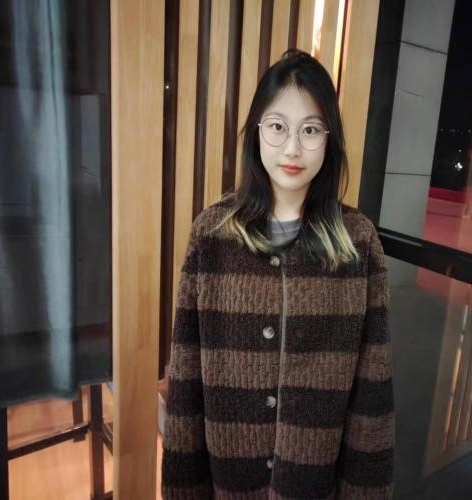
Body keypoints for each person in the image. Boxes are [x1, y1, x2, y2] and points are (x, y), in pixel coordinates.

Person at [161, 50, 394, 499]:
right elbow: (186, 383)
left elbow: (373, 395)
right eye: (277, 126)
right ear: (256, 132)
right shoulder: (212, 236)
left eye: (310, 129)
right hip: (228, 485)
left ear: (329, 139)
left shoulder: (357, 245)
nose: (292, 148)